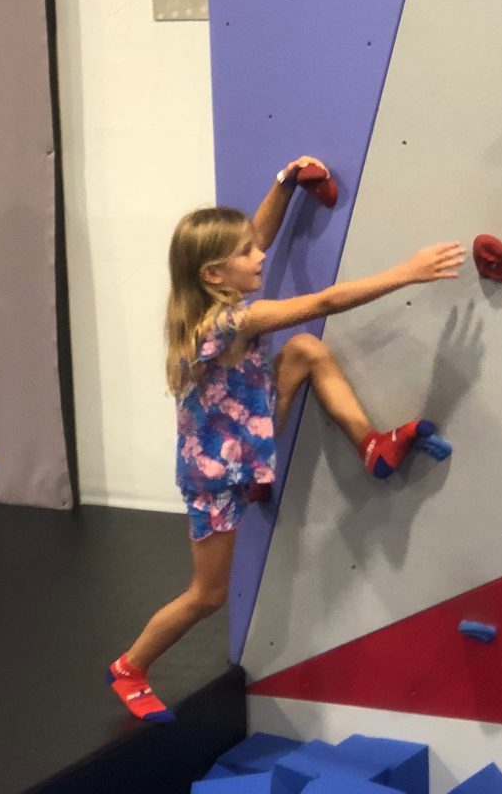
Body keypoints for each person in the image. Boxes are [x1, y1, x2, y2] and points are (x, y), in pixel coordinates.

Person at [107, 156, 465, 722]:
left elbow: (258, 232)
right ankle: (130, 667)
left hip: (248, 432)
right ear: (214, 276)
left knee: (304, 351)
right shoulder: (225, 324)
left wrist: (285, 181)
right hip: (215, 478)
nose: (261, 256)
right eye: (246, 255)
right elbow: (322, 303)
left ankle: (370, 443)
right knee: (208, 596)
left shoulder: (211, 298)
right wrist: (408, 271)